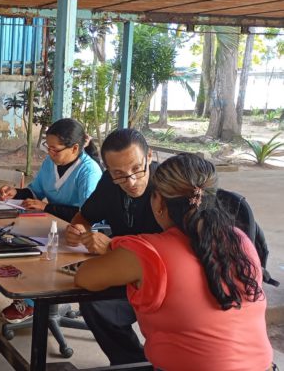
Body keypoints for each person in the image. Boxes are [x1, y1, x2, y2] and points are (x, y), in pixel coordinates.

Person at [75, 153, 273, 370]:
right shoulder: (239, 239)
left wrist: (115, 247)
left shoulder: (148, 251)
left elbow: (85, 277)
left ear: (158, 201)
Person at [65, 128, 161, 365]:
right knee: (94, 303)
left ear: (149, 157)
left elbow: (177, 248)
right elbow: (84, 216)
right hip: (124, 273)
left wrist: (113, 248)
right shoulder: (110, 183)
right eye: (118, 173)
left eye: (137, 169)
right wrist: (79, 231)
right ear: (107, 170)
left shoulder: (167, 187)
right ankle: (130, 362)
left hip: (163, 276)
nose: (130, 181)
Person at [0, 118, 102, 324]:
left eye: (55, 149)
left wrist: (46, 207)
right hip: (53, 228)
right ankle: (29, 298)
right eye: (48, 148)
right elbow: (36, 191)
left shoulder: (89, 171)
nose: (50, 153)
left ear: (74, 148)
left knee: (36, 257)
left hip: (81, 237)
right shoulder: (50, 163)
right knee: (15, 240)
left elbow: (87, 215)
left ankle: (33, 303)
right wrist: (15, 192)